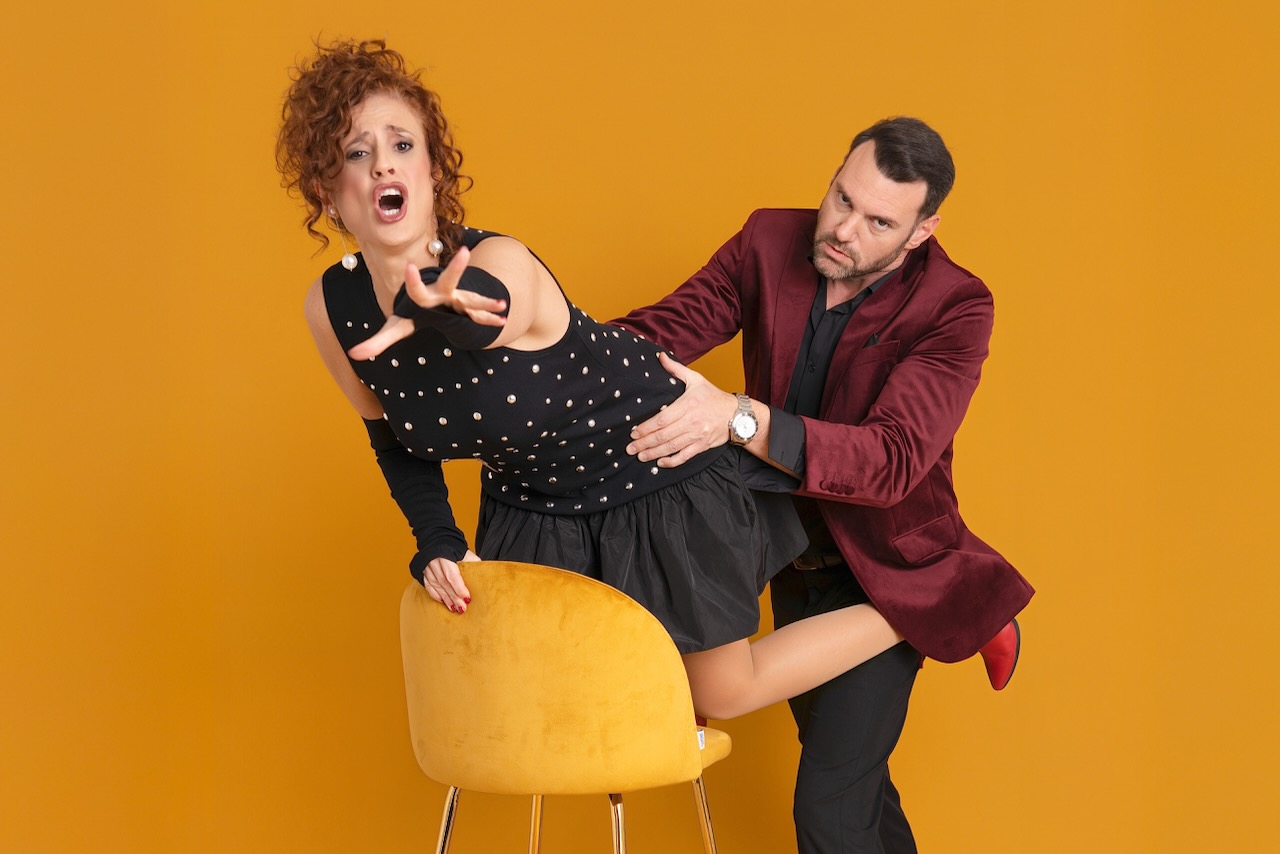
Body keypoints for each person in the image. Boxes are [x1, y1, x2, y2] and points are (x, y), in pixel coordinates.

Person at [275, 39, 948, 723]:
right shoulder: (332, 308)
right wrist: (437, 538)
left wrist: (427, 295)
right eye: (356, 152)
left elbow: (489, 319)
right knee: (557, 720)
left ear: (431, 172)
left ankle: (923, 609)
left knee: (719, 694)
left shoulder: (501, 262)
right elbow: (391, 436)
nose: (384, 163)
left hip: (652, 469)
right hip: (533, 502)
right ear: (327, 191)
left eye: (402, 145)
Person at [615, 116, 1035, 852]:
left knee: (830, 810)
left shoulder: (956, 306)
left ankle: (957, 599)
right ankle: (975, 611)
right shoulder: (768, 240)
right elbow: (662, 331)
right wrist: (540, 342)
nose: (843, 230)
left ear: (922, 231)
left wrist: (738, 417)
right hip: (789, 561)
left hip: (889, 571)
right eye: (842, 198)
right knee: (858, 795)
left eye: (879, 222)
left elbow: (892, 458)